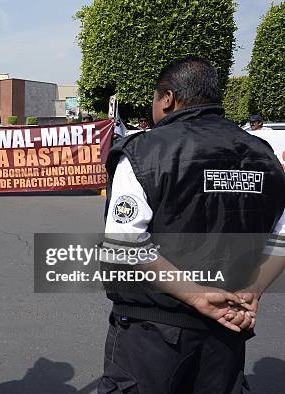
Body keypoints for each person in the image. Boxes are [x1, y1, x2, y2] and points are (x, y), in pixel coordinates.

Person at [99, 57, 285, 394]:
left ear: (167, 98)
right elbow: (282, 235)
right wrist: (252, 290)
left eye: (154, 99)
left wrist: (197, 295)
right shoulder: (263, 154)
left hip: (153, 333)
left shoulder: (145, 150)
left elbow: (124, 242)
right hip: (227, 330)